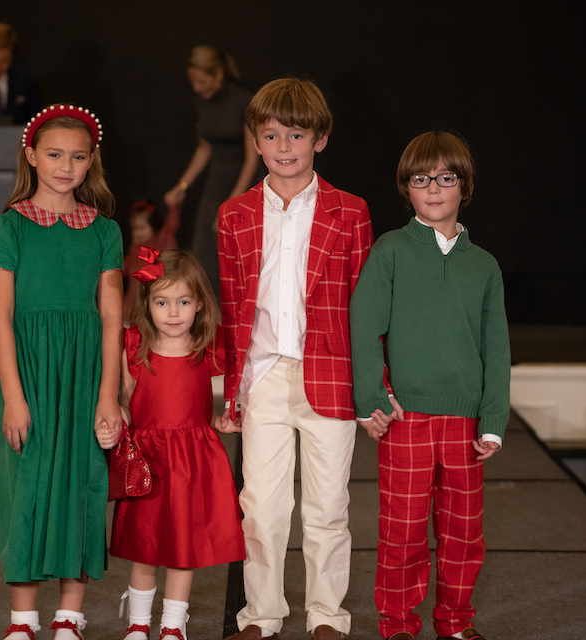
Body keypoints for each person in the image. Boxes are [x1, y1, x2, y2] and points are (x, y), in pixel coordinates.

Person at [218, 78, 374, 640]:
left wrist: (373, 388)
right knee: (260, 506)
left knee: (328, 505)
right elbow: (235, 307)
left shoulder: (350, 212)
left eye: (297, 134)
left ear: (321, 139)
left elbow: (365, 307)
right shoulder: (234, 215)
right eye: (272, 134)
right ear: (256, 142)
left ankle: (327, 615)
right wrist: (233, 390)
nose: (285, 146)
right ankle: (261, 615)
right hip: (263, 375)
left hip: (330, 373)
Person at [349, 131, 510, 640]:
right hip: (406, 419)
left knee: (463, 534)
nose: (434, 189)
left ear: (465, 187)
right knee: (402, 534)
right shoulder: (392, 251)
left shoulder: (483, 265)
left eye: (446, 178)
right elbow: (363, 323)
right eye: (422, 180)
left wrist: (493, 420)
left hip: (465, 423)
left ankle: (456, 623)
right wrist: (372, 398)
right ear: (407, 188)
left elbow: (497, 349)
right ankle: (398, 625)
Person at [0, 104, 123, 640]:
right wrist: (14, 398)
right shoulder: (7, 226)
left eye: (78, 157)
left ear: (92, 162)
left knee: (82, 482)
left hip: (85, 372)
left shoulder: (105, 231)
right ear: (32, 155)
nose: (66, 166)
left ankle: (71, 613)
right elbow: (0, 320)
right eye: (55, 154)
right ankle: (23, 617)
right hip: (30, 373)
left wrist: (108, 395)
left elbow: (112, 318)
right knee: (27, 484)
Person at [97, 248, 245, 640]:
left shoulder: (206, 346)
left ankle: (173, 625)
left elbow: (203, 404)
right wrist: (116, 423)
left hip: (193, 461)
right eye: (162, 302)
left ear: (199, 304)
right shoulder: (134, 345)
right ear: (148, 304)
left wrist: (219, 419)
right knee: (147, 546)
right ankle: (138, 624)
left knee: (184, 549)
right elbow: (124, 403)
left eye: (183, 302)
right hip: (149, 461)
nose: (173, 312)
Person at [164, 45, 261, 299]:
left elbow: (253, 160)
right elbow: (205, 147)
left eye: (202, 81)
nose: (197, 88)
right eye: (193, 81)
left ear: (218, 74)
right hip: (215, 185)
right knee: (204, 259)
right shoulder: (202, 102)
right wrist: (182, 186)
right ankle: (206, 325)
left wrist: (233, 203)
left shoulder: (244, 101)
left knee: (236, 261)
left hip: (243, 184)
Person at [121, 201, 180, 324]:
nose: (137, 233)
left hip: (152, 308)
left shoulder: (160, 244)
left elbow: (170, 227)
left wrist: (174, 204)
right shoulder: (135, 250)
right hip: (130, 309)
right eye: (134, 229)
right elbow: (121, 269)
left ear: (153, 226)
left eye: (141, 228)